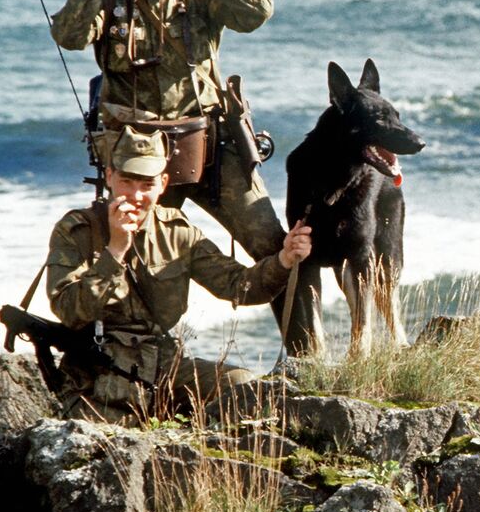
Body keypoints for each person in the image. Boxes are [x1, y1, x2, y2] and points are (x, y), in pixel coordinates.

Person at [49, 0, 288, 301]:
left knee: (276, 248)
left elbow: (256, 13)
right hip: (138, 160)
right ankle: (145, 359)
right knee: (143, 268)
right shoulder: (107, 4)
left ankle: (306, 355)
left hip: (209, 149)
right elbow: (68, 35)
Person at [46, 127, 312, 423]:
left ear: (163, 184)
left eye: (146, 184)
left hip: (163, 366)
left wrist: (284, 260)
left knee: (245, 387)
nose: (135, 195)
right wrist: (115, 251)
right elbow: (68, 310)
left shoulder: (178, 232)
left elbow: (238, 286)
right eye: (126, 181)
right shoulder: (76, 231)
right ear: (109, 176)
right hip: (97, 371)